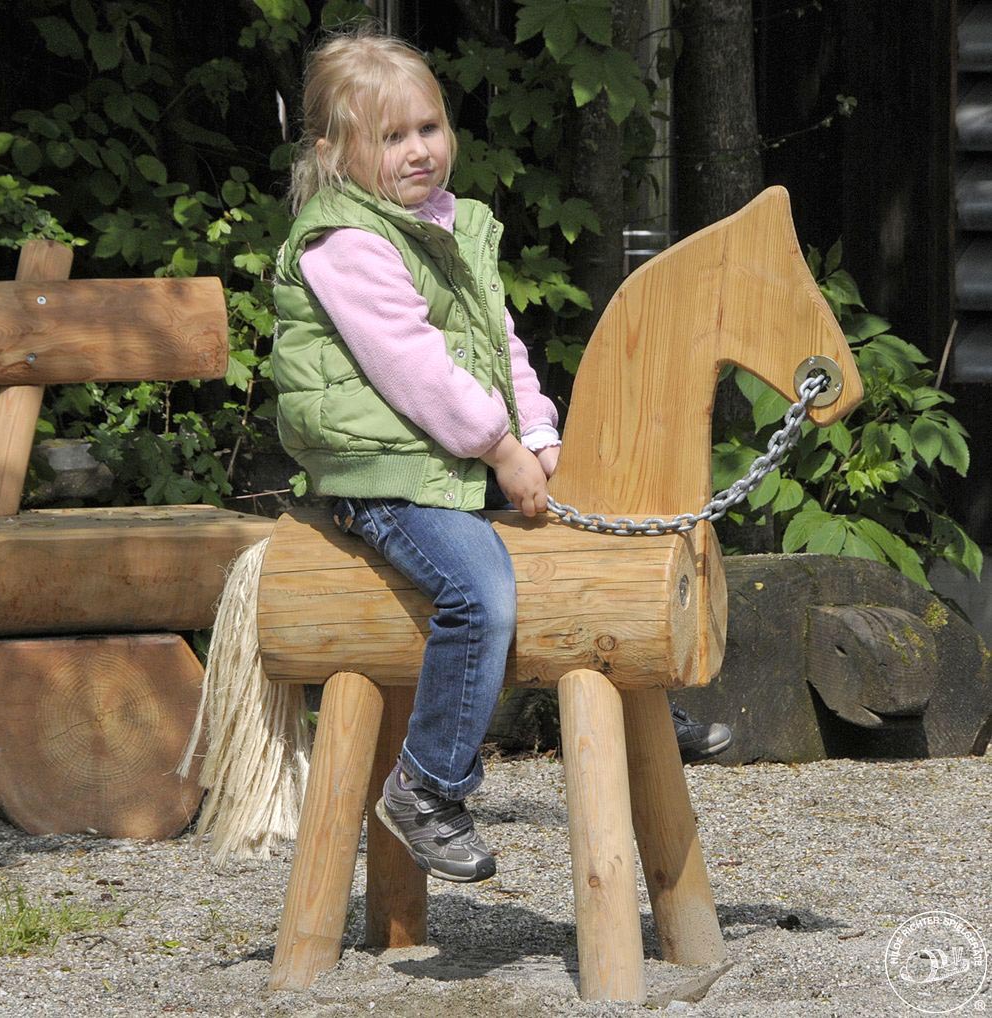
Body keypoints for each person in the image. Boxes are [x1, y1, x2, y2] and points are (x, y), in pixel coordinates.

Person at [271, 28, 730, 884]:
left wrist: (543, 439)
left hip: (447, 460)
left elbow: (498, 347)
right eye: (392, 137)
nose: (419, 150)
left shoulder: (449, 227)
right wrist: (499, 448)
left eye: (429, 128)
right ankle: (427, 785)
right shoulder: (348, 246)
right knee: (478, 591)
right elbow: (417, 371)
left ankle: (641, 705)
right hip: (382, 475)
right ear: (334, 154)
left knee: (590, 538)